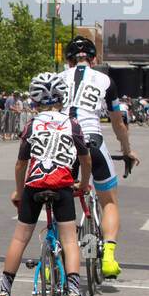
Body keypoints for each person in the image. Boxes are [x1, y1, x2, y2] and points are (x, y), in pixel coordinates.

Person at [0, 73, 92, 296]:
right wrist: (82, 183)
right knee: (70, 240)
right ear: (62, 98)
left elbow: (20, 164)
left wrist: (19, 191)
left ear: (34, 101)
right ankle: (73, 294)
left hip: (35, 184)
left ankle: (4, 293)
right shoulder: (73, 124)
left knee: (20, 238)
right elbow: (85, 158)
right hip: (61, 184)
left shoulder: (32, 125)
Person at [60, 35, 140, 278]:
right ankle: (108, 257)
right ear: (94, 59)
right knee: (109, 202)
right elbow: (118, 123)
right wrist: (126, 150)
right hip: (92, 141)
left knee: (60, 202)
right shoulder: (105, 80)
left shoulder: (57, 79)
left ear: (69, 61)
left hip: (63, 142)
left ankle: (56, 259)